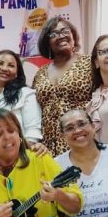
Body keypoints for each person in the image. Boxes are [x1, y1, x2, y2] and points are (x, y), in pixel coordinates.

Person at [32, 17, 93, 155]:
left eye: (65, 31)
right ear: (47, 42)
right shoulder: (40, 73)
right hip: (48, 148)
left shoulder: (89, 63)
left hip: (82, 140)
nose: (60, 36)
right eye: (53, 34)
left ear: (73, 35)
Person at [0, 49, 45, 153]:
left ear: (17, 72)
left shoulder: (26, 94)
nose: (4, 68)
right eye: (0, 63)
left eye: (11, 65)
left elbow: (32, 135)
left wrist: (11, 150)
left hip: (21, 156)